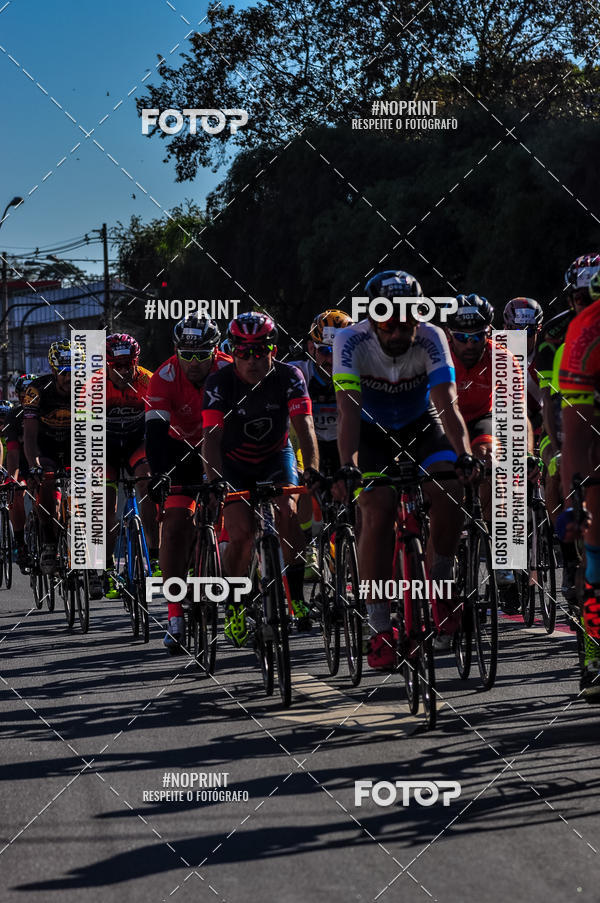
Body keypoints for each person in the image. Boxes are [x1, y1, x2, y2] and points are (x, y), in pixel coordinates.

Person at [333, 269, 478, 669]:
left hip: (422, 425)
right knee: (376, 511)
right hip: (370, 432)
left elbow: (447, 401)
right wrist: (348, 467)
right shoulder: (350, 340)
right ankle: (379, 627)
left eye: (408, 320)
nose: (399, 331)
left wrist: (464, 454)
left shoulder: (432, 337)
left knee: (450, 489)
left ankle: (441, 582)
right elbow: (347, 412)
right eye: (390, 323)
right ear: (373, 318)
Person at [202, 312, 319, 645]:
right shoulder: (219, 383)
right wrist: (214, 480)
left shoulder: (290, 376)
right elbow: (210, 437)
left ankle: (295, 596)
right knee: (239, 534)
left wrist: (311, 469)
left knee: (290, 514)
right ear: (232, 351)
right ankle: (236, 606)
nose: (251, 360)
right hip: (234, 464)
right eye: (242, 351)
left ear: (274, 349)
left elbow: (305, 429)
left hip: (275, 457)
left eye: (259, 350)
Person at [145, 315, 231, 653]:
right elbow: (154, 435)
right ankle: (175, 615)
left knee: (238, 516)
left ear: (215, 349)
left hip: (222, 446)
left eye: (201, 355)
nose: (194, 364)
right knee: (176, 525)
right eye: (186, 355)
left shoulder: (227, 370)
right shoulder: (163, 377)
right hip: (179, 451)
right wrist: (159, 474)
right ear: (176, 351)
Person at [446, 294, 527, 602]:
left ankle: (501, 553)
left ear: (489, 332)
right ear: (450, 334)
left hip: (483, 419)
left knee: (490, 464)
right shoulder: (437, 357)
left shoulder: (503, 358)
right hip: (444, 419)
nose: (470, 344)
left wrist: (520, 456)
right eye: (462, 338)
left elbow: (515, 417)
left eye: (477, 336)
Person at [535, 253, 600, 599]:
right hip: (564, 419)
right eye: (580, 299)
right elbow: (550, 400)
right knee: (558, 472)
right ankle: (570, 559)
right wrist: (557, 450)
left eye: (595, 299)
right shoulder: (559, 336)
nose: (588, 307)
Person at [291, 309, 353, 577]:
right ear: (310, 348)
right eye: (324, 351)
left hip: (345, 443)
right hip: (310, 444)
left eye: (339, 352)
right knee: (301, 483)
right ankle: (306, 544)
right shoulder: (299, 374)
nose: (331, 360)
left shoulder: (359, 372)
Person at [559, 294, 600, 701]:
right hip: (594, 424)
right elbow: (576, 431)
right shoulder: (586, 329)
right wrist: (577, 500)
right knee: (596, 538)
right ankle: (595, 650)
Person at [104, 334, 157, 599]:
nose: (124, 371)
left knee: (146, 481)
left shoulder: (148, 380)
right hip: (106, 449)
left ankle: (154, 552)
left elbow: (161, 425)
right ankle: (105, 565)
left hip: (138, 443)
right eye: (118, 366)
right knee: (107, 510)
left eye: (129, 364)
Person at [23, 341, 76, 574]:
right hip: (45, 448)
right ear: (54, 371)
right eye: (64, 373)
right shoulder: (36, 390)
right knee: (47, 485)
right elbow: (30, 436)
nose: (70, 378)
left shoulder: (89, 389)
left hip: (75, 445)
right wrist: (34, 464)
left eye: (75, 371)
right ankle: (48, 542)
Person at [3, 376, 36, 571]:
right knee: (15, 495)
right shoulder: (13, 417)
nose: (29, 400)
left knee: (53, 502)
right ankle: (20, 542)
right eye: (24, 396)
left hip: (41, 462)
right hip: (21, 465)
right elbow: (12, 453)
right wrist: (12, 479)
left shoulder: (46, 413)